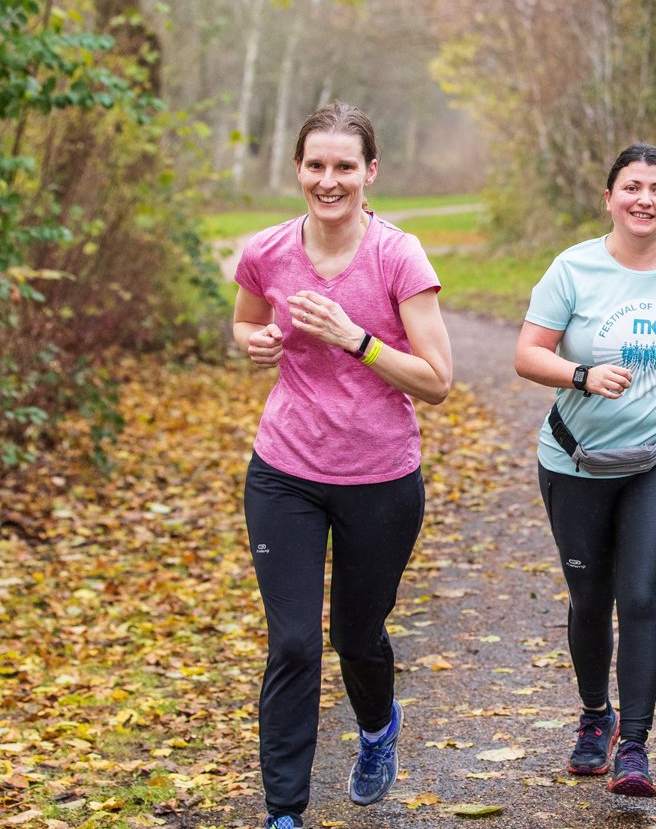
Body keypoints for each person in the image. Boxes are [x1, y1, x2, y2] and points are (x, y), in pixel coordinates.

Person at [232, 101, 453, 828]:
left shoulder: (397, 256)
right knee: (293, 641)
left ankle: (377, 729)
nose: (329, 181)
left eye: (344, 167)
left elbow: (438, 380)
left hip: (380, 476)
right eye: (316, 165)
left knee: (355, 637)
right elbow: (246, 319)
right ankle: (284, 813)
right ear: (298, 169)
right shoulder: (267, 250)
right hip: (285, 469)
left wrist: (357, 339)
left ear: (370, 173)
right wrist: (253, 342)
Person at [514, 143, 656, 797]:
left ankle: (634, 746)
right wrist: (581, 374)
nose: (645, 199)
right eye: (632, 187)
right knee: (590, 599)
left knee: (639, 596)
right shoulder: (572, 268)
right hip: (575, 458)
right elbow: (527, 354)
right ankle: (593, 717)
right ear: (609, 198)